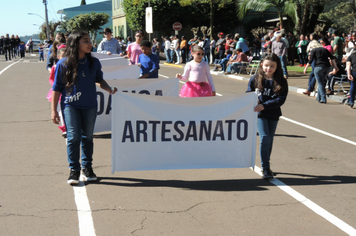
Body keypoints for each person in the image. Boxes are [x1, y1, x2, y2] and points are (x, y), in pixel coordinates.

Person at [51, 31, 118, 185]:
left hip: (90, 105)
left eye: (89, 40)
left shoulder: (94, 62)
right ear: (76, 44)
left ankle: (87, 168)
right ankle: (74, 170)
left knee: (87, 137)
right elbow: (56, 88)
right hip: (70, 104)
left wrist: (108, 88)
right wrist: (53, 110)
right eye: (85, 41)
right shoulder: (63, 63)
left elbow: (99, 79)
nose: (90, 44)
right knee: (73, 137)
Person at [246, 53, 288, 179]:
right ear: (261, 65)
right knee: (264, 138)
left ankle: (267, 165)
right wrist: (254, 100)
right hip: (259, 113)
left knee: (269, 140)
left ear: (277, 67)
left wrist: (265, 105)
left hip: (273, 113)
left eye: (272, 66)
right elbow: (249, 93)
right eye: (266, 66)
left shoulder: (281, 81)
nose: (268, 69)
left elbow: (281, 99)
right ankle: (265, 168)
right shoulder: (255, 79)